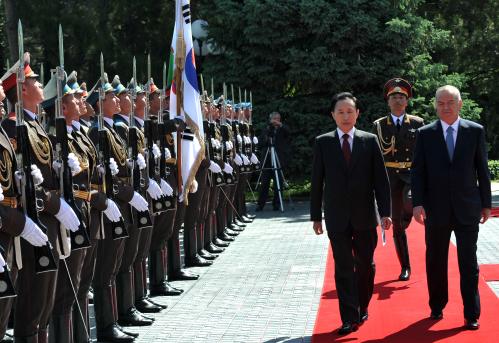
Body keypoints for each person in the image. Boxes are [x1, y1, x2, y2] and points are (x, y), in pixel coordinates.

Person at [310, 92, 391, 335]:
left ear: (357, 114)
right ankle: (348, 316)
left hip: (365, 216)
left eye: (350, 111)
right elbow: (317, 182)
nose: (345, 116)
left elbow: (381, 181)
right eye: (340, 112)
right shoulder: (323, 142)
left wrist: (385, 213)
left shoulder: (369, 141)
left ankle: (362, 304)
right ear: (332, 115)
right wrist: (316, 216)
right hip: (336, 217)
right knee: (343, 266)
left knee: (365, 264)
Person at [411, 85, 491, 330]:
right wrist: (417, 203)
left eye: (450, 102)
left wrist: (486, 203)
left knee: (469, 263)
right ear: (435, 105)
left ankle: (472, 313)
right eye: (441, 103)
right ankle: (437, 305)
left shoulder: (475, 131)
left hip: (468, 208)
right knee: (435, 261)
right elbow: (418, 171)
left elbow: (482, 170)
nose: (445, 107)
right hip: (436, 210)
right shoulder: (425, 134)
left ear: (460, 104)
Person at [373, 78, 424, 281]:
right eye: (394, 97)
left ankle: (407, 217)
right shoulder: (378, 125)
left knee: (412, 208)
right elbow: (376, 156)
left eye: (401, 97)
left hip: (412, 177)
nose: (397, 100)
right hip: (391, 179)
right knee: (398, 225)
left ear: (407, 101)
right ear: (388, 101)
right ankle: (405, 267)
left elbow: (424, 153)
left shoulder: (417, 123)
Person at [256, 111, 290, 211]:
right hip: (267, 160)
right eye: (274, 119)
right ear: (270, 119)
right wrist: (268, 132)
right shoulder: (266, 128)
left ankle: (277, 204)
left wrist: (281, 125)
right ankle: (260, 204)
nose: (276, 121)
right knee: (264, 183)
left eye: (278, 119)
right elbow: (261, 142)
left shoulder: (282, 129)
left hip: (278, 159)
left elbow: (288, 133)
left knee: (278, 183)